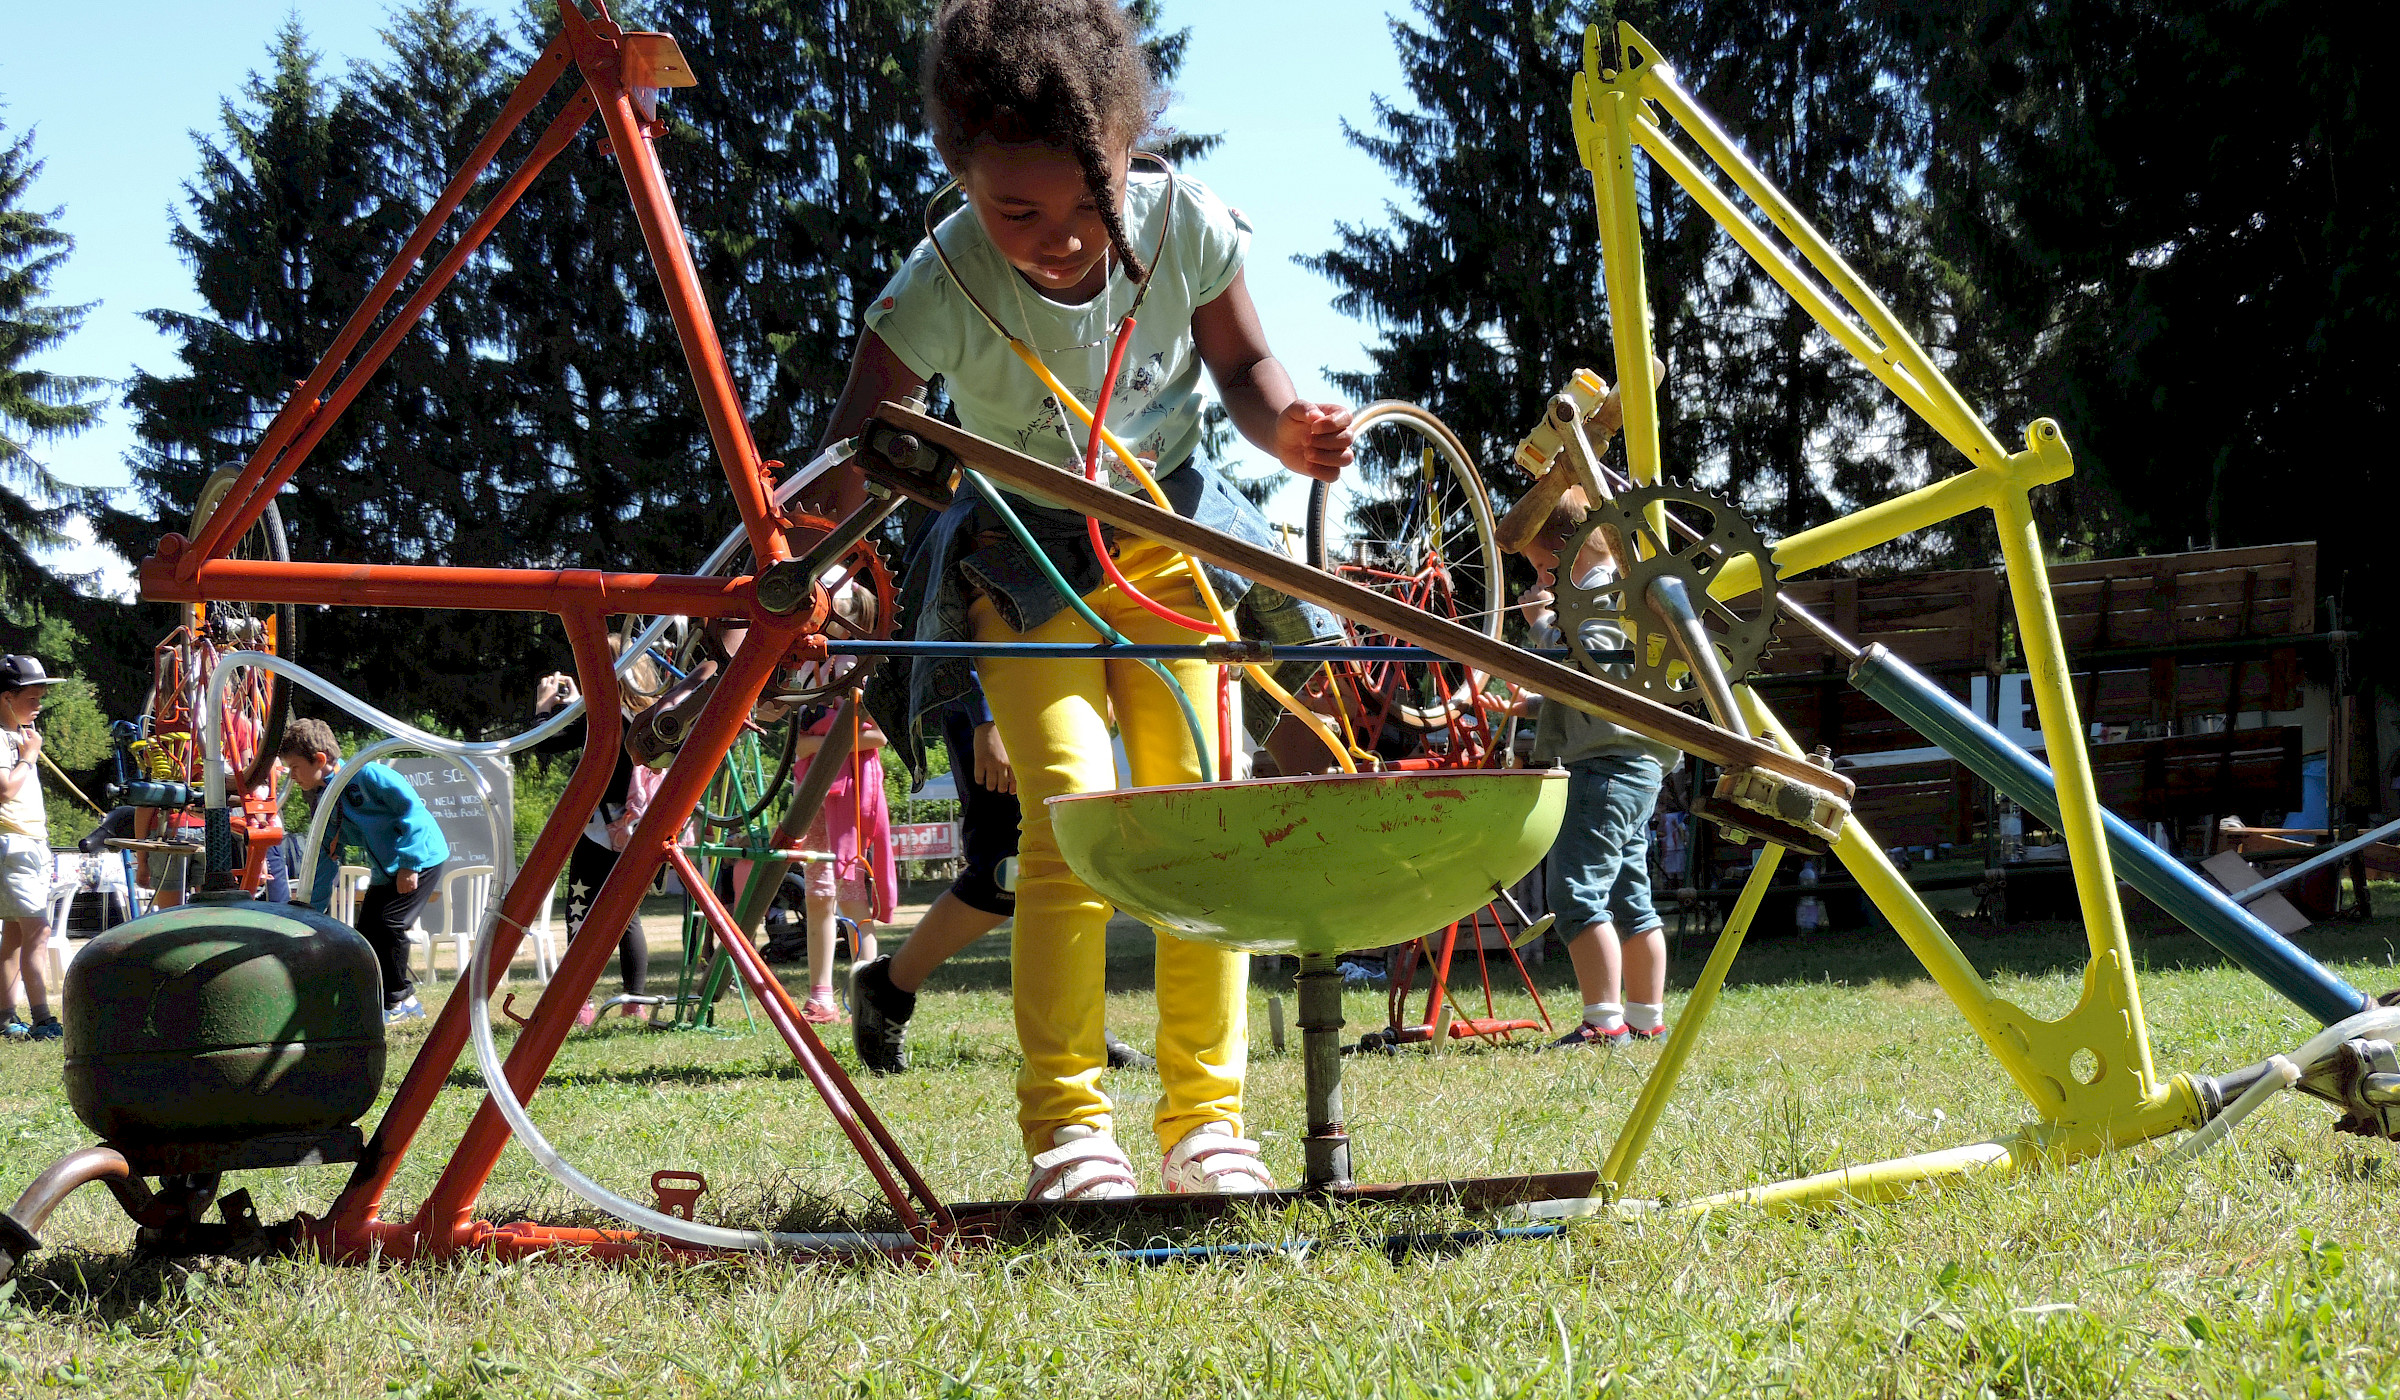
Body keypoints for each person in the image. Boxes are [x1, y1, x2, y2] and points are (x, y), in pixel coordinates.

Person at [815, 0, 1353, 1199]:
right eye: (1019, 210)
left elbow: (1245, 368)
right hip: (1026, 558)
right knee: (1068, 822)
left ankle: (1208, 1124)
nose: (1061, 239)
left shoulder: (1181, 227)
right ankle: (1069, 1129)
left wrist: (1290, 429)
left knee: (1198, 811)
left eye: (1087, 199)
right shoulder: (942, 279)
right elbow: (860, 432)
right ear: (961, 177)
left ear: (1125, 154)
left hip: (1166, 537)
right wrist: (833, 540)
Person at [848, 676, 1156, 1075]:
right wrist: (986, 720)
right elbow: (963, 617)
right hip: (993, 699)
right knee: (1002, 875)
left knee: (1075, 864)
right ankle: (888, 987)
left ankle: (1082, 1026)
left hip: (1067, 697)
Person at [1507, 494, 1681, 1049]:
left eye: (1539, 565)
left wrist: (1541, 628)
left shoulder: (1597, 596)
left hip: (1605, 769)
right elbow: (1606, 692)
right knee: (1632, 896)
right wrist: (1532, 707)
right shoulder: (1624, 587)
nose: (1538, 579)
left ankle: (1603, 1022)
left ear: (1565, 550)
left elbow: (1598, 667)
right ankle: (1644, 1017)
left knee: (1575, 890)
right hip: (1636, 766)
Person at [532, 639, 666, 1024]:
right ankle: (634, 1000)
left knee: (579, 913)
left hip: (602, 831)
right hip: (638, 829)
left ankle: (578, 1002)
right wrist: (579, 703)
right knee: (628, 918)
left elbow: (546, 743)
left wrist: (544, 707)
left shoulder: (604, 718)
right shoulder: (651, 716)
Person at [287, 717, 450, 1023]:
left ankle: (400, 1001)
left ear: (319, 760)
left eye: (295, 767)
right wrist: (311, 909)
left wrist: (410, 864)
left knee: (391, 924)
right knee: (367, 934)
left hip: (422, 857)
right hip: (385, 870)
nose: (291, 775)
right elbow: (326, 857)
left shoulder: (368, 775)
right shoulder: (324, 802)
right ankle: (375, 1000)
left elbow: (413, 813)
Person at [787, 698, 894, 1024]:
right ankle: (820, 996)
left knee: (851, 895)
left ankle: (866, 998)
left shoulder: (862, 680)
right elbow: (796, 746)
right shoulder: (807, 680)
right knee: (817, 894)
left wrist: (819, 745)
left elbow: (878, 736)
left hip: (853, 792)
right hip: (811, 790)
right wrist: (841, 742)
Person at [0, 655, 60, 1043]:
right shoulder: (7, 740)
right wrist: (29, 756)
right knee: (38, 930)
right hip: (13, 843)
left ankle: (6, 1018)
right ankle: (43, 1019)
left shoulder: (19, 735)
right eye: (32, 696)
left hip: (29, 842)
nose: (39, 704)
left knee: (15, 935)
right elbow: (4, 789)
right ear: (7, 697)